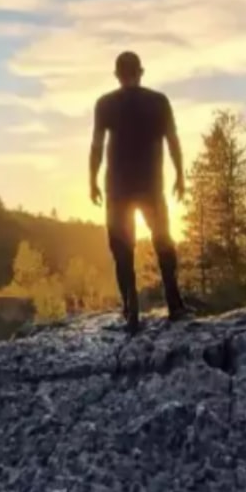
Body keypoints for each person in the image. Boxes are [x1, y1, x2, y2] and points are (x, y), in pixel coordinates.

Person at [89, 51, 190, 334]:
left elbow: (96, 145)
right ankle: (175, 305)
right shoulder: (159, 101)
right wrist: (181, 175)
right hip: (151, 185)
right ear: (140, 72)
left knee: (122, 249)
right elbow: (173, 141)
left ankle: (131, 310)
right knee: (163, 242)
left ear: (117, 75)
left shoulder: (105, 104)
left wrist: (91, 180)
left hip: (118, 187)